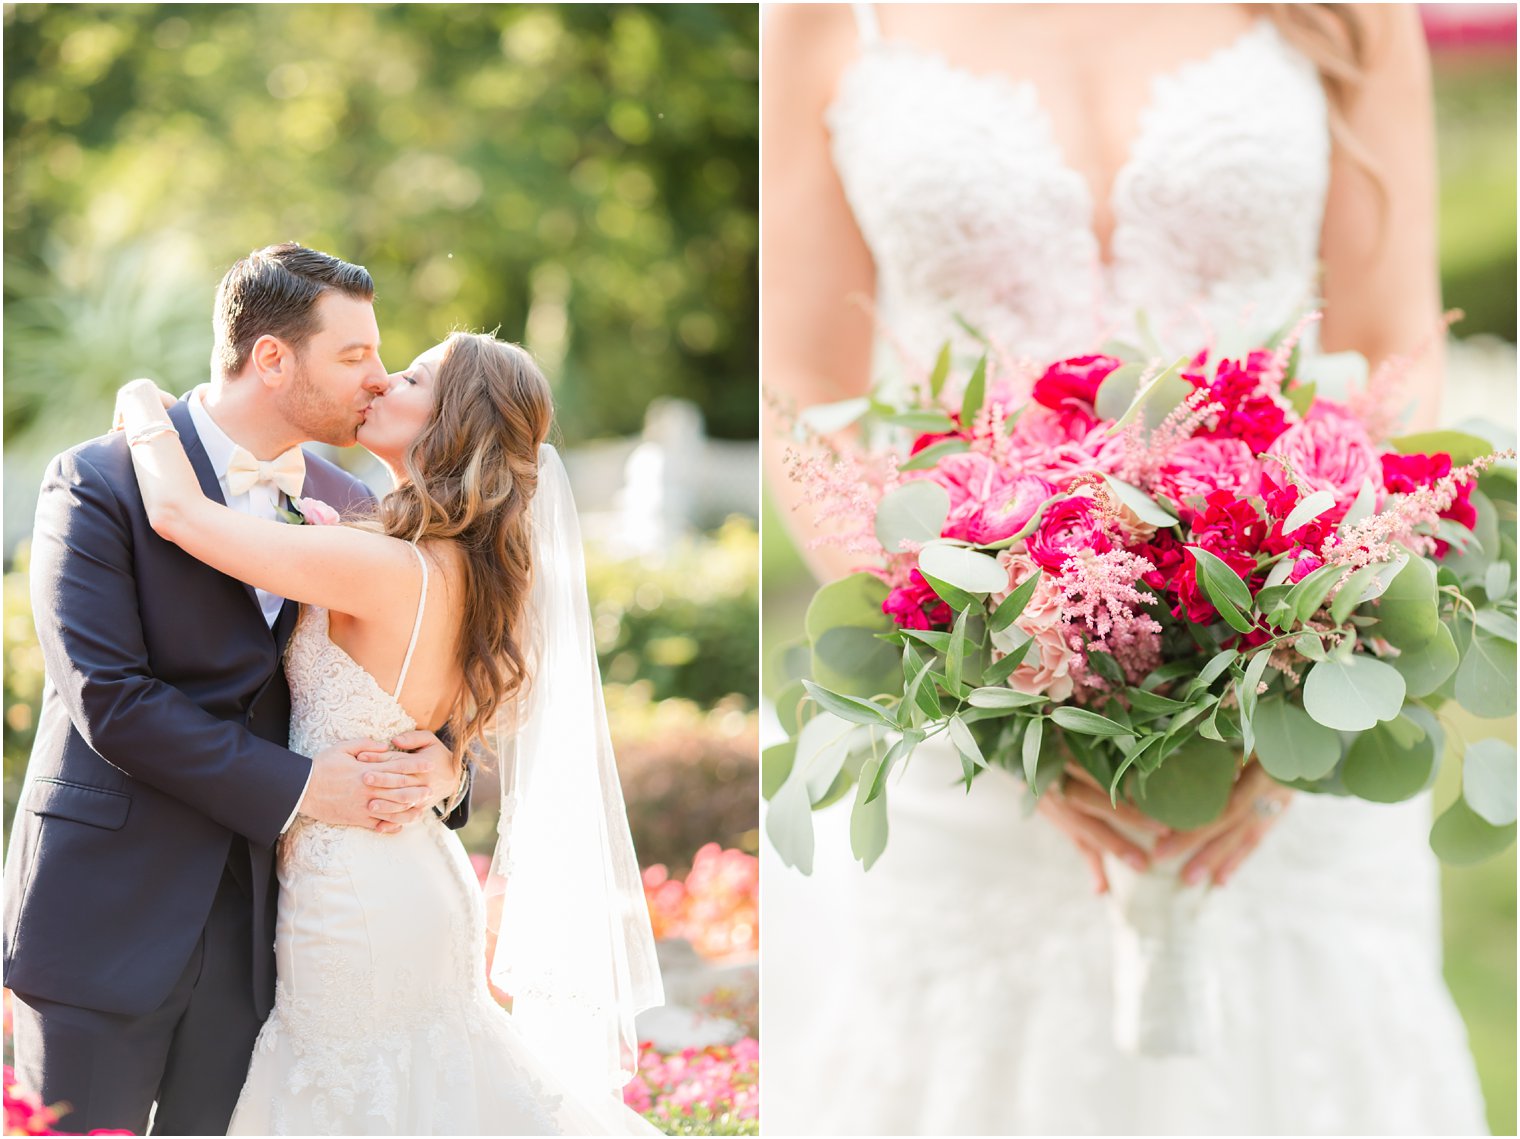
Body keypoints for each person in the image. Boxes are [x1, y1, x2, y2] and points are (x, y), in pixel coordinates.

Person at [761, 4, 1489, 1134]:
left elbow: (1396, 340)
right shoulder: (822, 19)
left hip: (1289, 683)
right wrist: (980, 676)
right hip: (970, 714)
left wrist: (1302, 678)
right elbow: (800, 394)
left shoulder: (1345, 14)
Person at [111, 307, 663, 1128]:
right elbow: (450, 719)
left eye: (411, 378)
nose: (380, 379)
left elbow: (183, 518)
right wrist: (447, 761)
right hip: (413, 869)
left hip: (354, 898)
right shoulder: (465, 569)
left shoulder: (379, 563)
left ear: (449, 425)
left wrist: (140, 406)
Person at [4, 244, 463, 1136]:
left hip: (271, 937)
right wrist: (298, 787)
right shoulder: (97, 481)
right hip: (104, 910)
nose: (376, 377)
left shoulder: (352, 503)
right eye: (354, 355)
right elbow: (111, 699)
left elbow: (418, 661)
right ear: (272, 359)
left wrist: (446, 764)